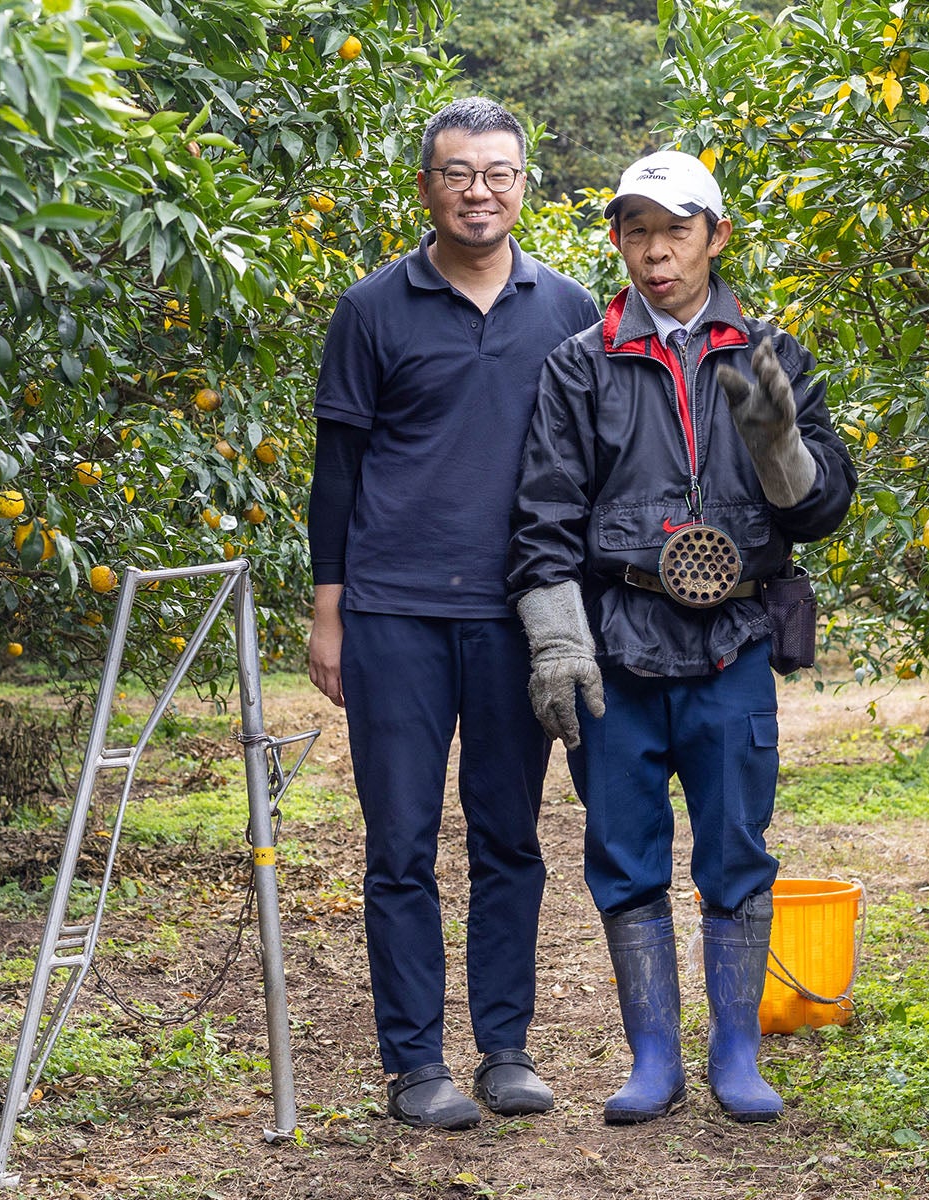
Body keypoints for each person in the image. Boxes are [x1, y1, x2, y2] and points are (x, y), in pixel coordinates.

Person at [507, 150, 855, 1124]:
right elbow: (542, 515)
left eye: (676, 231)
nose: (656, 255)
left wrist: (780, 446)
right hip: (617, 642)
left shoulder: (770, 354)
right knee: (624, 849)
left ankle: (735, 1052)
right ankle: (653, 1054)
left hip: (732, 638)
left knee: (735, 844)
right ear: (616, 239)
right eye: (637, 233)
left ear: (717, 236)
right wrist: (556, 640)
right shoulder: (582, 364)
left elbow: (822, 505)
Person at [307, 98, 602, 1130]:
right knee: (399, 842)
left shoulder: (569, 309)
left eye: (499, 173)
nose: (480, 190)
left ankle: (506, 1048)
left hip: (517, 608)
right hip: (390, 610)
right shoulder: (371, 310)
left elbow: (593, 469)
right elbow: (335, 473)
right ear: (426, 184)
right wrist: (328, 613)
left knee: (509, 834)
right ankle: (414, 1064)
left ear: (526, 185)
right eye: (458, 172)